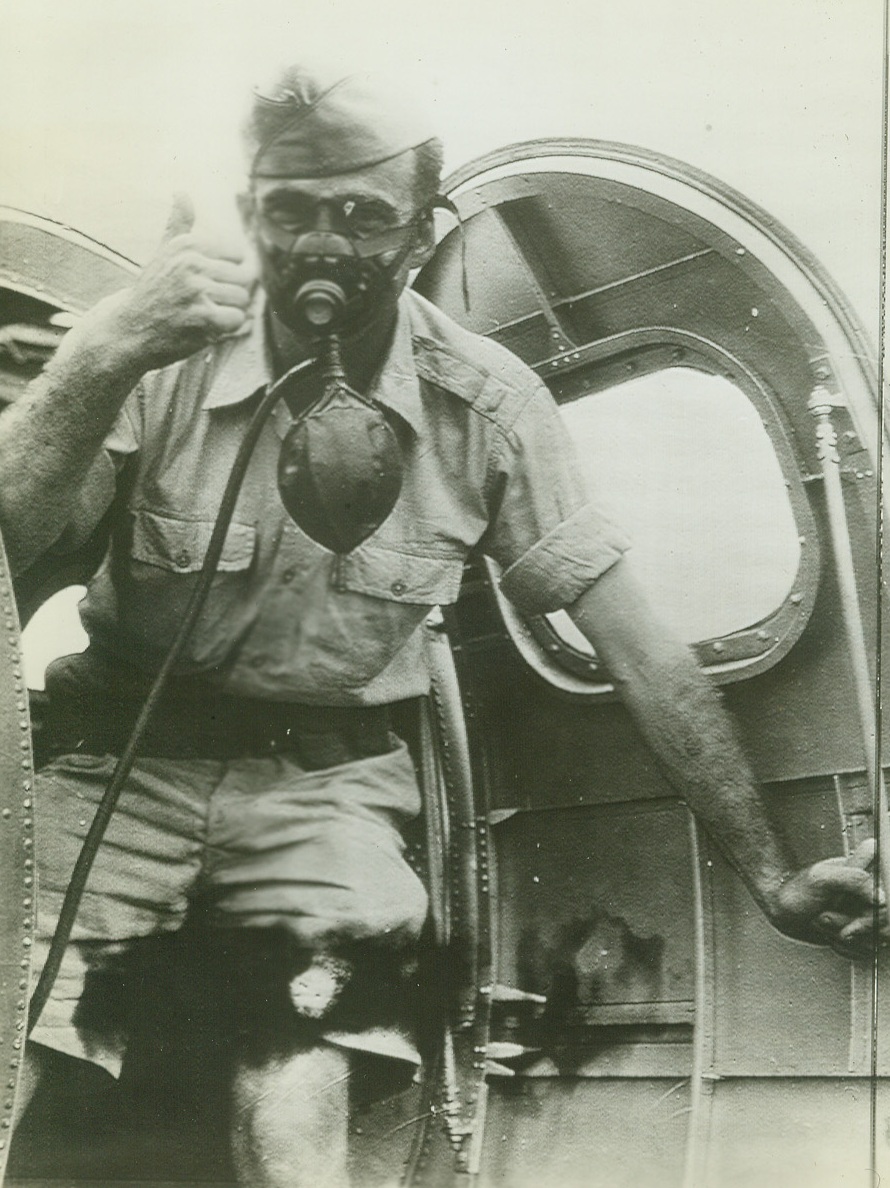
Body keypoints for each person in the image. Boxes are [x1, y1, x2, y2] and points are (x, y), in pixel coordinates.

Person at [0, 63, 884, 1188]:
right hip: (112, 757)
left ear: (425, 232)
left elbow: (640, 653)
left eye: (365, 217)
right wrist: (103, 351)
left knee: (302, 1084)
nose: (325, 249)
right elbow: (10, 543)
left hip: (324, 794)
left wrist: (772, 878)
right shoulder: (157, 350)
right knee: (13, 1044)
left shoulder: (489, 405)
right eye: (292, 211)